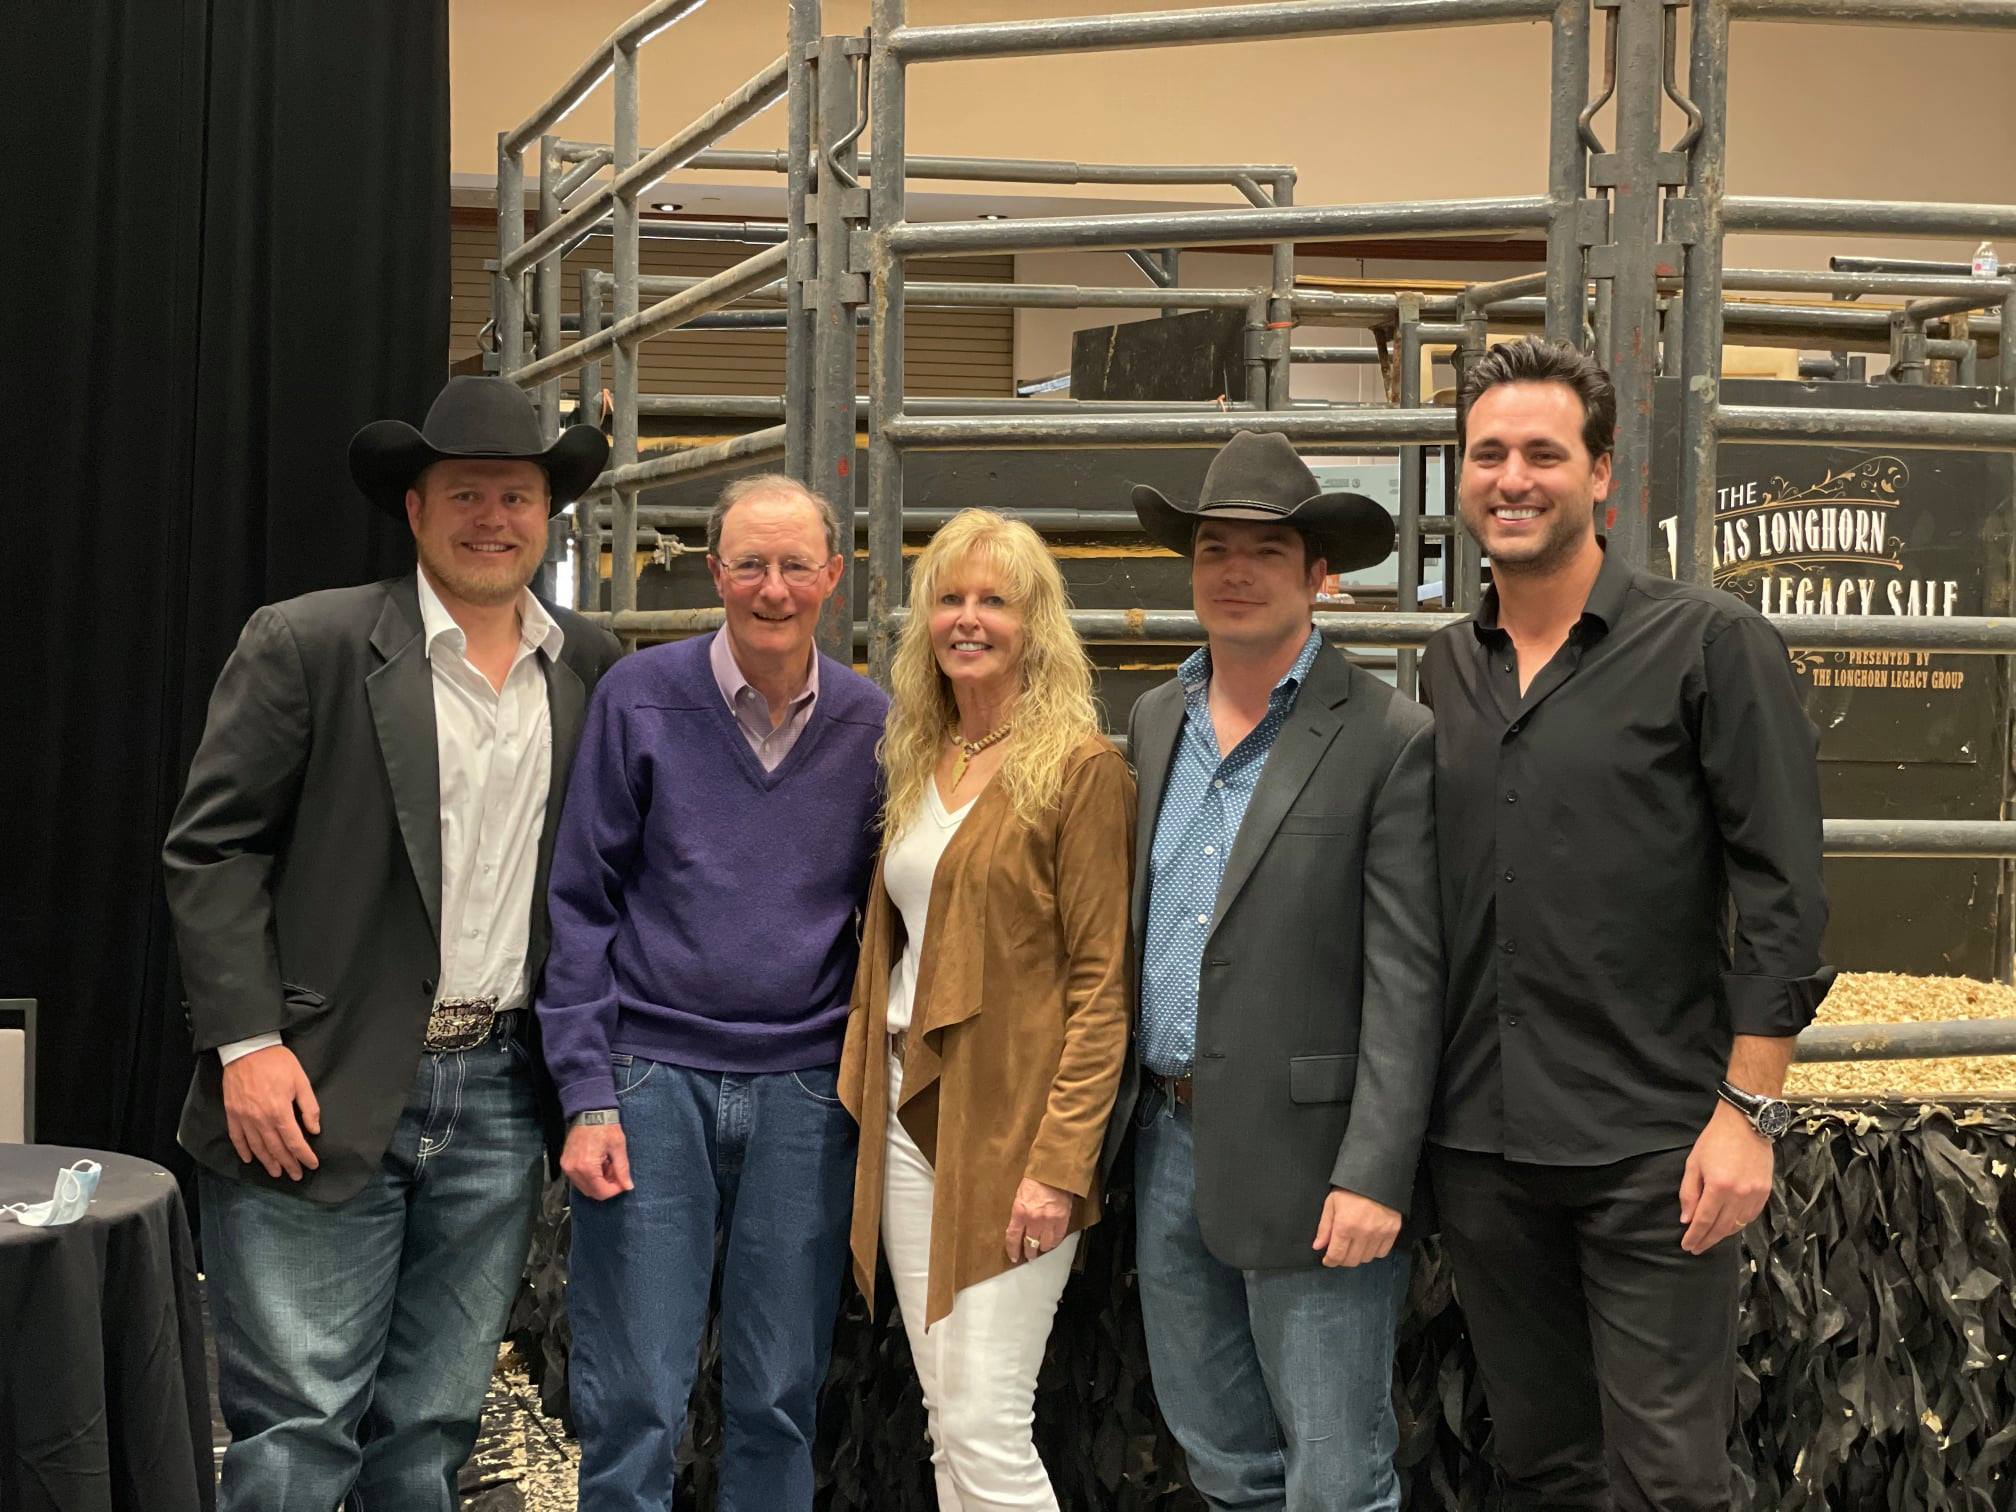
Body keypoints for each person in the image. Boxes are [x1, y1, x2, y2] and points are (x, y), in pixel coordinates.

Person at [163, 375, 622, 1511]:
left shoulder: (590, 668)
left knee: (430, 1431)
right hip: (315, 1084)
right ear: (413, 511)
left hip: (502, 1095)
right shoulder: (309, 644)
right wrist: (245, 1047)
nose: (492, 518)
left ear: (546, 515)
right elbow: (211, 852)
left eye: (515, 496)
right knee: (299, 1434)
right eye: (464, 493)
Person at [1419, 337, 1833, 1511]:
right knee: (1545, 1464)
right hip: (1484, 1146)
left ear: (1603, 476)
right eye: (1487, 453)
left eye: (1543, 453)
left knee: (1667, 1478)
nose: (1512, 477)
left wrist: (1748, 1112)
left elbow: (1786, 893)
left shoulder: (1708, 644)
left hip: (1654, 1145)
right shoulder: (1448, 665)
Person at [538, 474, 888, 1511]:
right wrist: (587, 1093)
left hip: (806, 1089)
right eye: (748, 564)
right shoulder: (639, 700)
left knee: (778, 1396)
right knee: (636, 1395)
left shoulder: (876, 723)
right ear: (713, 573)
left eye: (793, 566)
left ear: (833, 575)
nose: (771, 589)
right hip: (651, 1080)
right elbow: (581, 906)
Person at [1108, 429, 1443, 1512]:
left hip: (1313, 1161)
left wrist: (1374, 1171)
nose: (1235, 570)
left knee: (1336, 1476)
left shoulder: (1388, 733)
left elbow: (1409, 975)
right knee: (1222, 1458)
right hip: (1166, 1141)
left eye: (1265, 548)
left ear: (1318, 575)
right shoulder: (1157, 720)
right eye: (1214, 547)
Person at [838, 509, 1134, 1510]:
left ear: (1034, 623)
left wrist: (1059, 1164)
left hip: (1012, 1123)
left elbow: (1102, 984)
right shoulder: (920, 756)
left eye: (993, 601)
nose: (969, 619)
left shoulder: (1081, 767)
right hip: (908, 1098)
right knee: (944, 1420)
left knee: (984, 1421)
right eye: (950, 600)